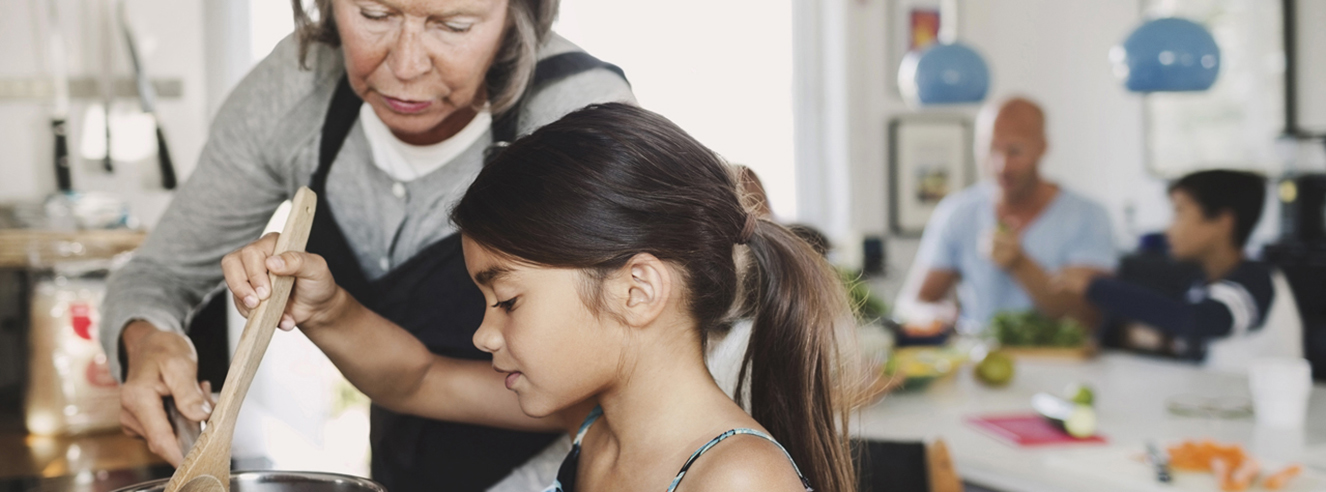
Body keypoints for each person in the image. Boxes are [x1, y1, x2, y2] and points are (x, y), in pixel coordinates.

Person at [100, 0, 634, 489]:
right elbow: (158, 275)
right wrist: (146, 338)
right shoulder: (297, 87)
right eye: (374, 14)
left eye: (452, 25)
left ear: (522, 14)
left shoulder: (576, 119)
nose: (404, 66)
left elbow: (629, 395)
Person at [222, 103, 858, 492]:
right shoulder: (595, 427)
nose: (483, 334)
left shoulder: (735, 480)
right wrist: (325, 307)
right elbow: (416, 381)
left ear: (637, 291)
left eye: (507, 301)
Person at [895, 96, 1115, 332]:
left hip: (1063, 363)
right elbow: (909, 304)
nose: (1001, 165)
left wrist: (1019, 263)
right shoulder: (957, 213)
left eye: (1015, 151)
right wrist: (935, 315)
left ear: (1042, 147)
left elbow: (1088, 315)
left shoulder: (1088, 217)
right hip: (976, 362)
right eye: (991, 149)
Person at [1058, 170, 1302, 370]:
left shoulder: (1257, 283)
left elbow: (1196, 320)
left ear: (1222, 223)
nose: (1168, 230)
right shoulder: (1200, 284)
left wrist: (1095, 286)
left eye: (1179, 213)